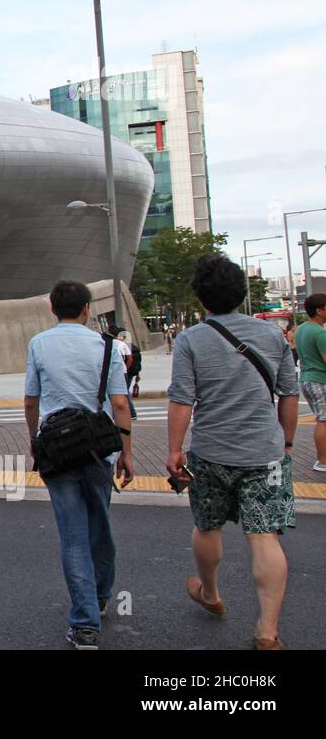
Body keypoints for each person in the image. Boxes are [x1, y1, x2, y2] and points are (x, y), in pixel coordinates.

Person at [167, 255, 299, 650]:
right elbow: (288, 395)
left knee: (208, 526)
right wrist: (287, 443)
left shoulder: (191, 339)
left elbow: (181, 400)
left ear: (201, 297)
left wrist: (174, 449)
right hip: (265, 453)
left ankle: (210, 593)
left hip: (210, 452)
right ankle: (267, 629)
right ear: (242, 292)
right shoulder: (273, 337)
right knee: (264, 538)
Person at [24, 280, 134, 650]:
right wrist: (127, 453)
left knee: (72, 535)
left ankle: (85, 626)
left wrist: (33, 438)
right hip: (98, 450)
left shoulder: (39, 343)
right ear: (87, 308)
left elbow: (30, 400)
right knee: (100, 523)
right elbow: (120, 403)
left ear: (53, 309)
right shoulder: (107, 346)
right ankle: (101, 597)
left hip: (57, 449)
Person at [293, 293, 326, 473]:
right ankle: (322, 461)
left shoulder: (303, 329)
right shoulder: (320, 333)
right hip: (320, 380)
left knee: (322, 419)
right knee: (324, 420)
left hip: (307, 379)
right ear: (319, 310)